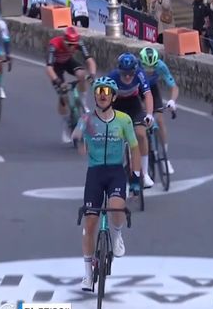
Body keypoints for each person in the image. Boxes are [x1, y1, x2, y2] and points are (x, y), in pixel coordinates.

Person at [70, 76, 141, 291]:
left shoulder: (124, 120)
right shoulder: (87, 119)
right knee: (90, 223)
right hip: (95, 173)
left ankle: (117, 235)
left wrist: (136, 177)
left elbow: (134, 147)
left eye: (107, 92)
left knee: (117, 207)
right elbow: (77, 133)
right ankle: (87, 274)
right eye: (99, 91)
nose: (102, 95)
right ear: (94, 95)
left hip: (116, 172)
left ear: (113, 97)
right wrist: (78, 138)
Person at [107, 52, 155, 188]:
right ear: (119, 71)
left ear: (135, 71)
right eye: (124, 74)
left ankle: (144, 173)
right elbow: (104, 100)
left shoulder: (140, 74)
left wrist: (149, 114)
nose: (128, 77)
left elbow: (148, 95)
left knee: (141, 134)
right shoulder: (112, 77)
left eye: (130, 74)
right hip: (117, 105)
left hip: (134, 104)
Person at [45, 26, 96, 143]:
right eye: (69, 45)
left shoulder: (78, 43)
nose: (72, 48)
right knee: (63, 95)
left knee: (82, 74)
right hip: (55, 67)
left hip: (68, 62)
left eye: (74, 45)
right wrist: (58, 82)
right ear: (64, 41)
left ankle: (83, 101)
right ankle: (65, 122)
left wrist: (92, 75)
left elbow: (90, 60)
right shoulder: (54, 45)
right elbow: (49, 68)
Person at [138, 47, 176, 174]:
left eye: (152, 68)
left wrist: (172, 101)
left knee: (159, 119)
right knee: (140, 118)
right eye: (146, 68)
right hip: (138, 90)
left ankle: (165, 159)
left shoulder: (161, 66)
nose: (150, 71)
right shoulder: (135, 67)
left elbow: (173, 86)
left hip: (152, 89)